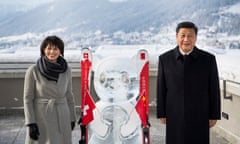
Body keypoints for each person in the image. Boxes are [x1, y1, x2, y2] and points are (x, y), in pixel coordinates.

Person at [156, 21, 221, 144]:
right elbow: (161, 89)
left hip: (200, 113)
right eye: (183, 35)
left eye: (190, 35)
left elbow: (214, 89)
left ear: (195, 38)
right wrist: (162, 113)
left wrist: (214, 115)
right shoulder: (165, 59)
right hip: (174, 113)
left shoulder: (208, 59)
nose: (186, 39)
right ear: (177, 37)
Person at [23, 35, 76, 144]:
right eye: (49, 48)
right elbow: (27, 99)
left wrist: (72, 117)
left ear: (60, 51)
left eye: (55, 49)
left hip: (62, 116)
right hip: (41, 117)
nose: (52, 52)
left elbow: (69, 95)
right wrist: (30, 123)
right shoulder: (33, 70)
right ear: (43, 50)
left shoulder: (66, 70)